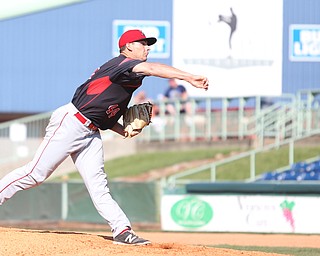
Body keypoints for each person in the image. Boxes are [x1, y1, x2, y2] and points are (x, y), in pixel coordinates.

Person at [0, 29, 209, 245]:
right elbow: (153, 68)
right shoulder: (123, 64)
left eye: (148, 44)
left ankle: (122, 230)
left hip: (91, 131)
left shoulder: (127, 78)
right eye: (142, 43)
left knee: (98, 185)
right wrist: (189, 77)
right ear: (128, 47)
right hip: (72, 123)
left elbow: (106, 117)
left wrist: (124, 130)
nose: (147, 47)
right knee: (36, 174)